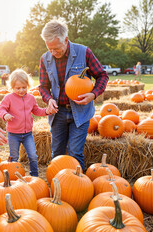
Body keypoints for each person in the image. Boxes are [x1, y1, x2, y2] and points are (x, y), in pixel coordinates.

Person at [38, 19, 108, 171]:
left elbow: (102, 76)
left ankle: (78, 188)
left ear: (66, 39)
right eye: (50, 49)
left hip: (80, 112)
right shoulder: (45, 59)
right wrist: (48, 99)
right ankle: (57, 184)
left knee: (75, 152)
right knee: (57, 152)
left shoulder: (84, 52)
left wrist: (93, 94)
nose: (53, 53)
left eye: (57, 48)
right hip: (58, 114)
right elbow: (43, 87)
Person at [0, 69, 49, 177]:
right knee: (14, 157)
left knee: (33, 156)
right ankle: (12, 177)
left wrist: (46, 111)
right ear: (12, 87)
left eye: (24, 87)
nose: (21, 90)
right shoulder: (8, 98)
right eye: (18, 88)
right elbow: (1, 109)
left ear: (28, 86)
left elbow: (36, 111)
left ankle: (34, 176)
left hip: (27, 134)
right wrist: (5, 115)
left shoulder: (31, 98)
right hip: (13, 134)